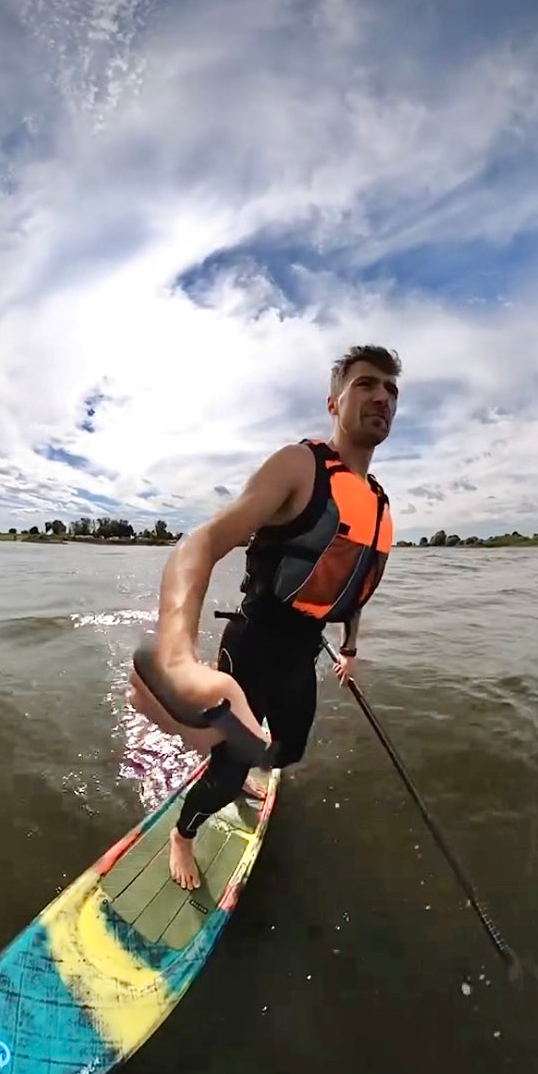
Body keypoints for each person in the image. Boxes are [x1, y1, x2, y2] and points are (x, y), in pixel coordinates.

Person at [129, 344, 400, 889]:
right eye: (367, 384)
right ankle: (185, 833)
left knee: (286, 750)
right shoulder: (299, 467)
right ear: (334, 401)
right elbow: (202, 541)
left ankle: (240, 763)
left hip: (304, 651)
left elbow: (352, 587)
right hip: (253, 642)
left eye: (392, 390)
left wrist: (349, 648)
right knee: (233, 765)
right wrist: (179, 655)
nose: (382, 397)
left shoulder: (377, 501)